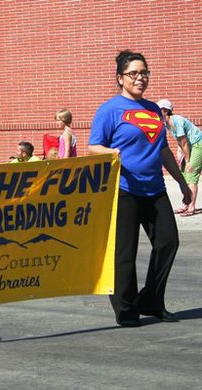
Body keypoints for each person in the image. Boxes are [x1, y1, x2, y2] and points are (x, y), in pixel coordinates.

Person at [88, 50, 191, 327]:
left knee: (169, 242)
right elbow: (93, 146)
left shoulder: (154, 110)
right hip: (124, 189)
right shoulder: (110, 110)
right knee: (125, 254)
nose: (140, 78)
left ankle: (152, 301)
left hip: (154, 188)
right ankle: (126, 309)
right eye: (133, 73)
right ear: (120, 78)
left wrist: (182, 182)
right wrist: (112, 152)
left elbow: (163, 151)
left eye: (144, 72)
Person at [157, 99, 202, 217]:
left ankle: (191, 207)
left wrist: (187, 160)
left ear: (165, 111)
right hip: (188, 145)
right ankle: (186, 203)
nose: (156, 112)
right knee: (183, 173)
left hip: (198, 144)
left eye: (159, 109)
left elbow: (185, 142)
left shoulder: (176, 120)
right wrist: (179, 151)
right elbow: (180, 141)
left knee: (191, 172)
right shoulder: (167, 123)